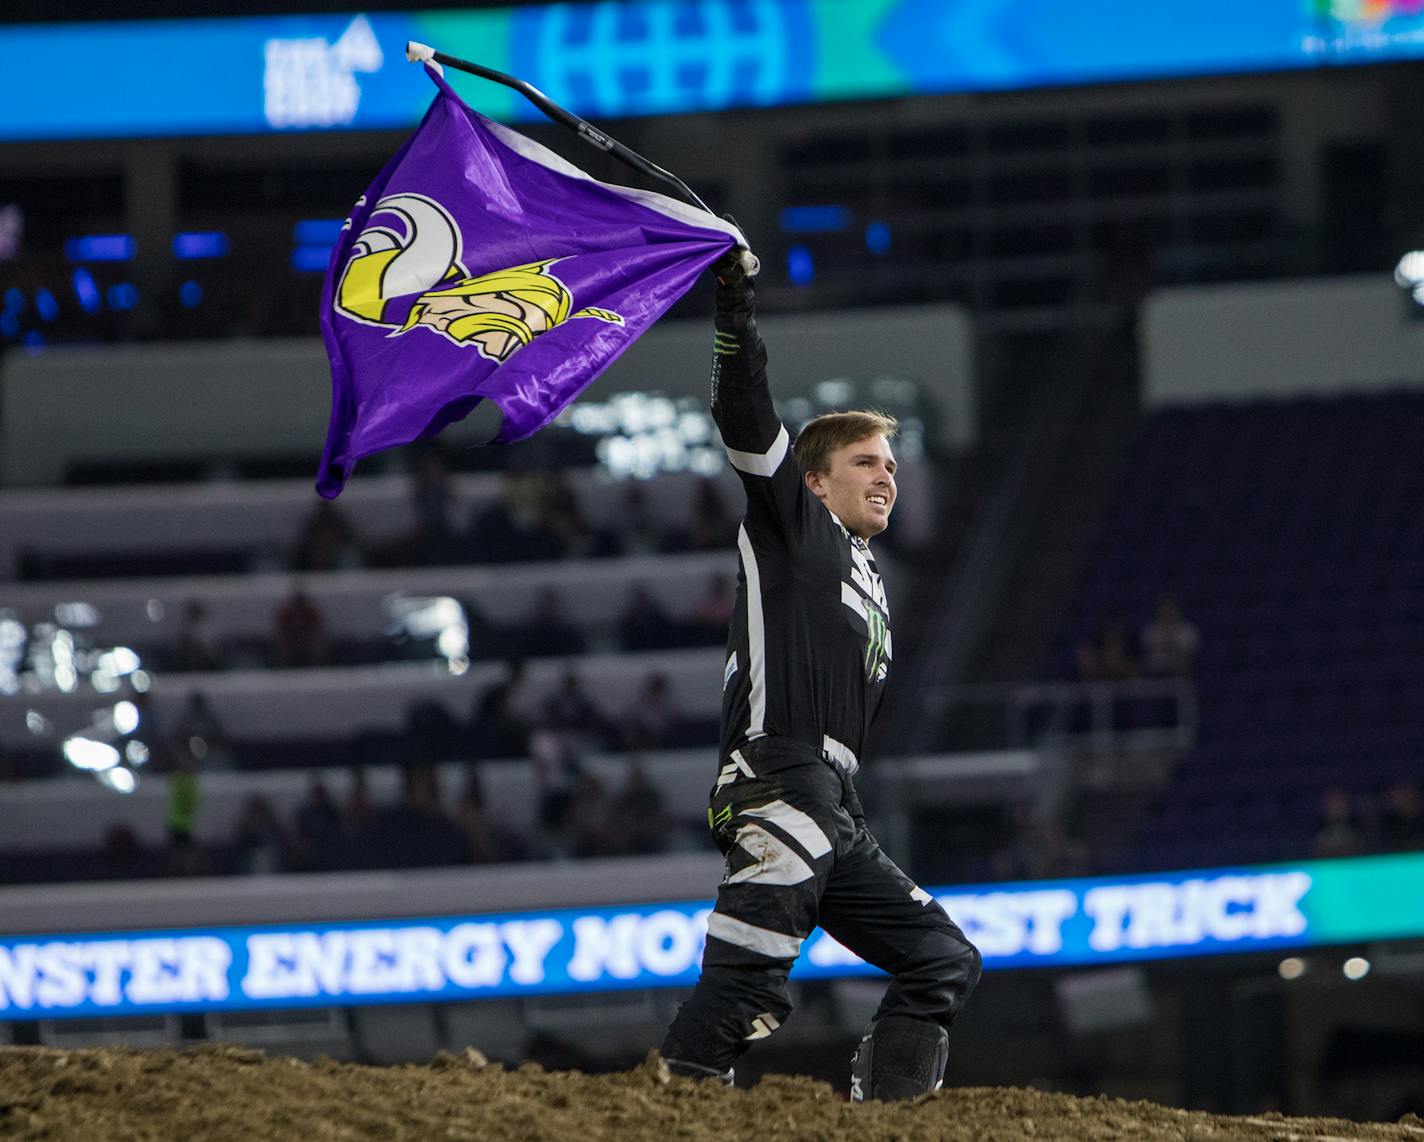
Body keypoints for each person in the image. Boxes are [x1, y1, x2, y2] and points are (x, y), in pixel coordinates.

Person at [659, 244, 981, 1100]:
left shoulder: (871, 572)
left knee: (942, 957)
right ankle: (672, 1104)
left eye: (894, 464)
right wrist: (736, 303)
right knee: (756, 963)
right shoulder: (792, 526)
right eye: (868, 461)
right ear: (814, 480)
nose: (889, 475)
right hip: (778, 771)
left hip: (838, 799)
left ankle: (889, 1119)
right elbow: (742, 409)